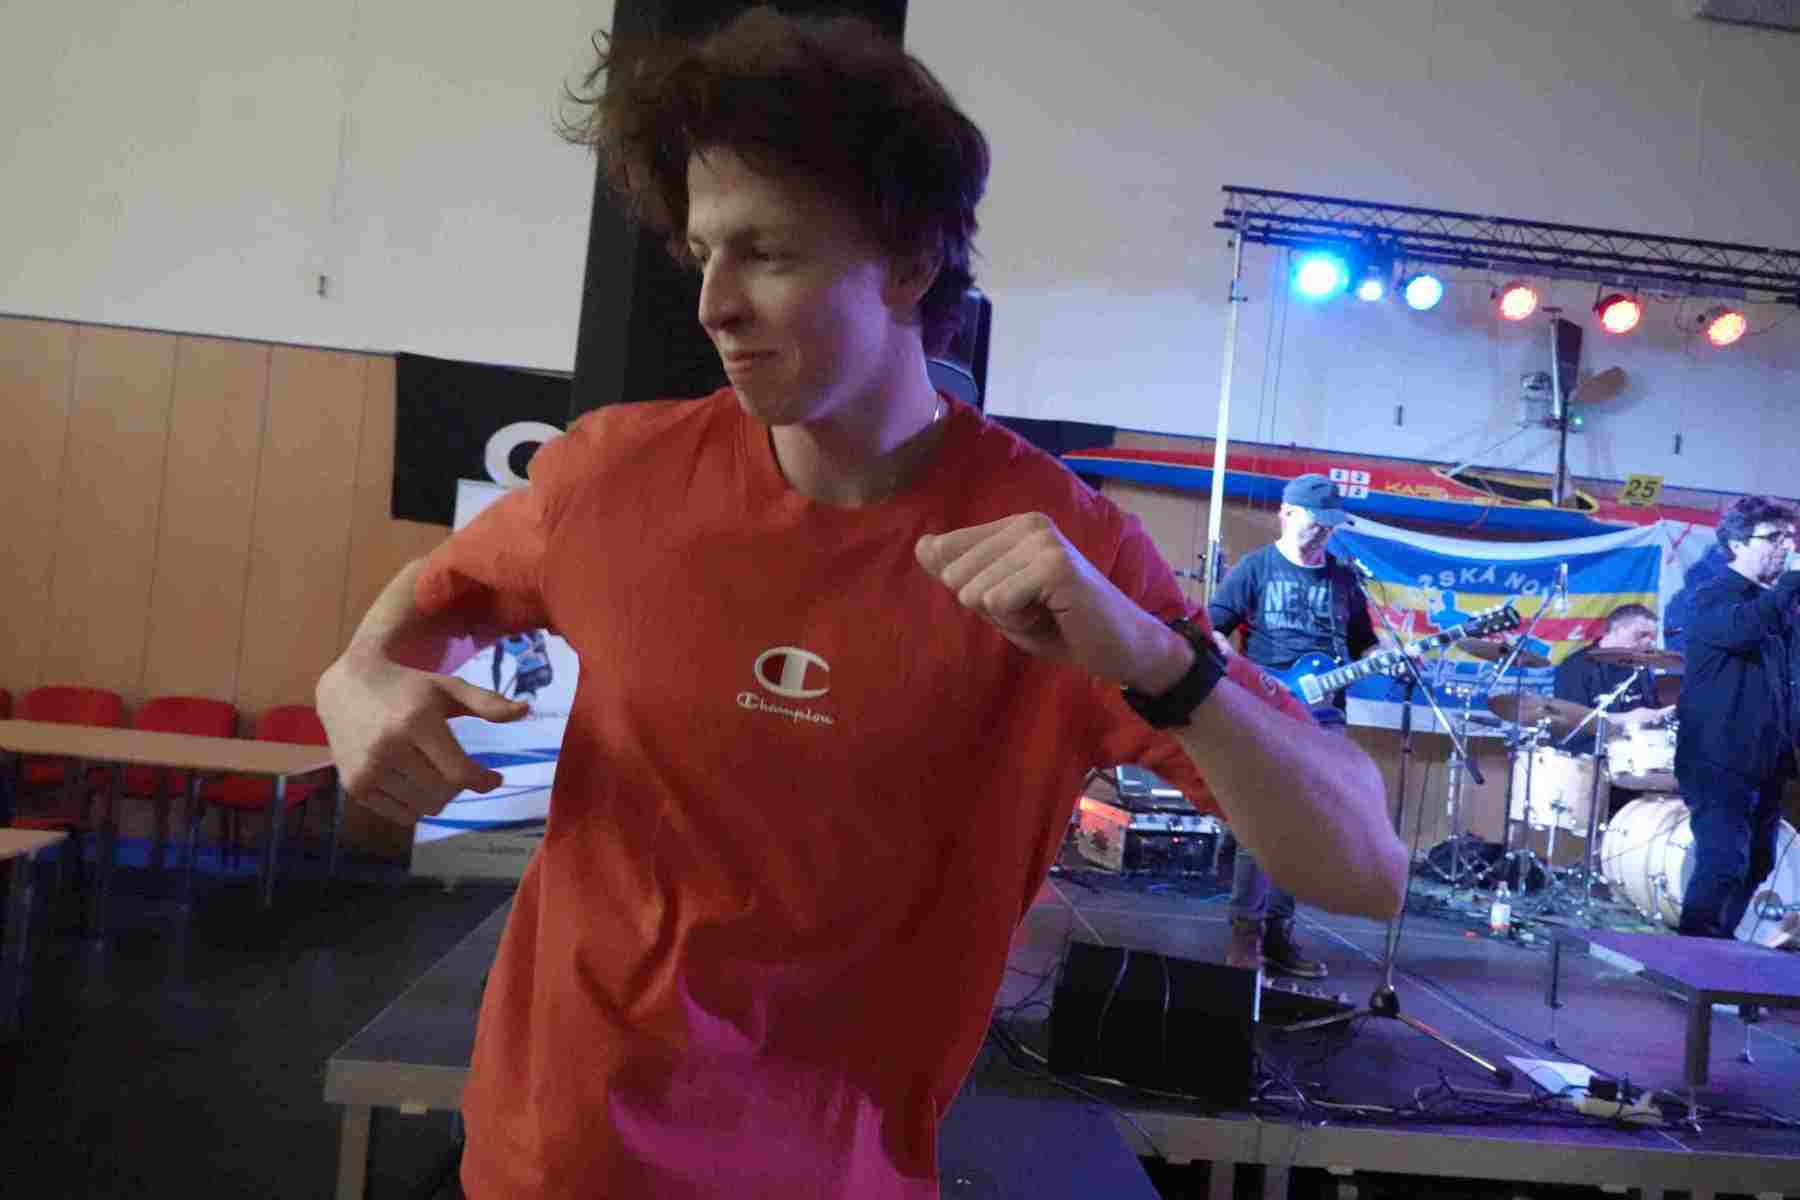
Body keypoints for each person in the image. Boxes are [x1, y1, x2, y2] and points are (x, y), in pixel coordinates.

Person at [315, 12, 1404, 1197]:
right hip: (546, 1163)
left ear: (909, 264)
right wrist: (356, 677)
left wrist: (1156, 657)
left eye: (766, 253)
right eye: (703, 253)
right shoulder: (615, 475)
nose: (713, 304)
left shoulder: (1066, 554)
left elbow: (1365, 869)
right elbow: (442, 594)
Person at [1206, 473, 1377, 978]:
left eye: (1331, 525)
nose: (1324, 532)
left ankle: (1279, 935)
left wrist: (1384, 656)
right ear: (1286, 513)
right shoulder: (1256, 568)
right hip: (1266, 709)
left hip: (1325, 719)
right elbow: (1211, 626)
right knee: (1261, 822)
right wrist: (1238, 671)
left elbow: (1364, 642)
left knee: (1305, 829)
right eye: (1315, 522)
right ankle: (1245, 932)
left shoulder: (1344, 580)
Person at [1675, 496, 1800, 941]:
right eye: (1774, 537)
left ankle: (1719, 946)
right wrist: (1790, 585)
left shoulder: (1779, 608)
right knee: (1723, 860)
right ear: (1737, 544)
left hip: (1766, 757)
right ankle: (1693, 953)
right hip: (1716, 756)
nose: (1786, 546)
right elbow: (1741, 630)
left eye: (1790, 537)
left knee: (1758, 862)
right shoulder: (1711, 595)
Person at [1550, 603, 1675, 815]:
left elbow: (1648, 713)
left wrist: (1659, 716)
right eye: (1641, 635)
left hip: (1630, 761)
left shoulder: (1640, 668)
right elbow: (1572, 719)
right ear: (1616, 630)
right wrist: (1627, 718)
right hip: (1586, 763)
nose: (1648, 642)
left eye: (1652, 637)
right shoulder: (1576, 666)